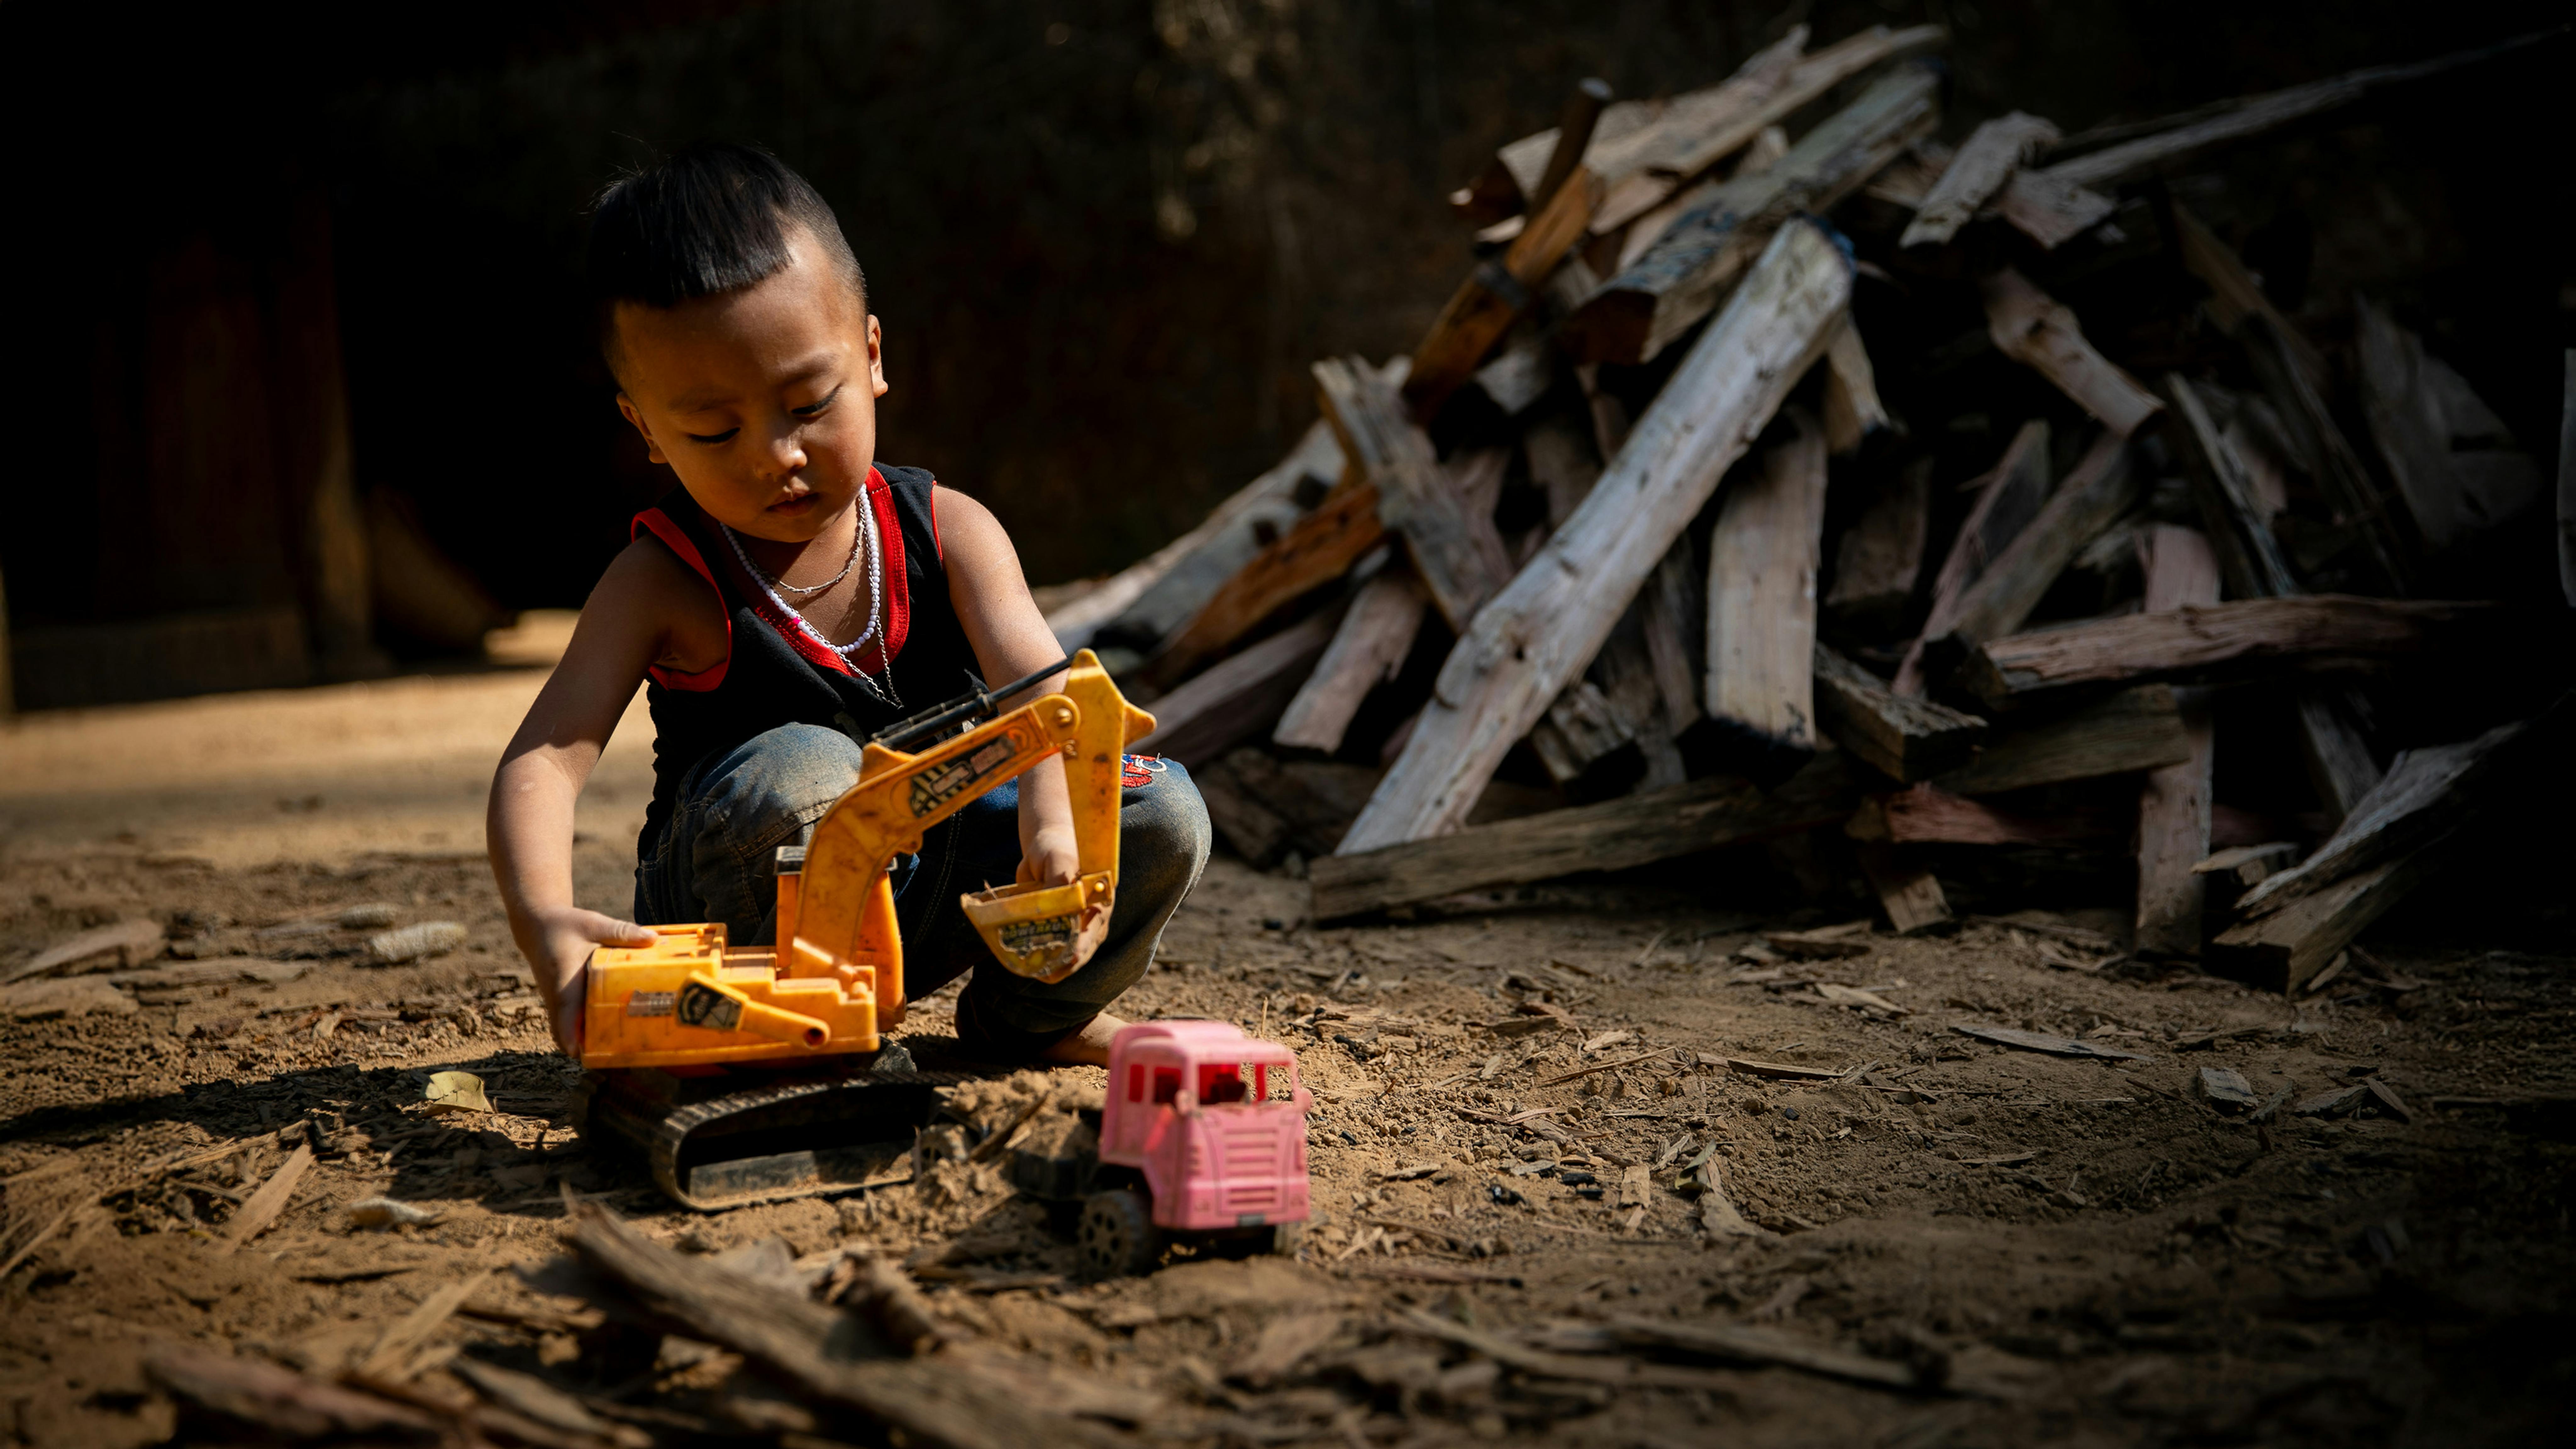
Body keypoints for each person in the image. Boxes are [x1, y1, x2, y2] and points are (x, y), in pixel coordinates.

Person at [486, 141, 1208, 1067]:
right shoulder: (661, 581)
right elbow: (542, 763)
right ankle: (800, 1039)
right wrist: (545, 922)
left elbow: (1047, 701)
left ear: (870, 357)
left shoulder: (951, 532)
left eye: (807, 403)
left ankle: (1031, 1018)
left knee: (1156, 810)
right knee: (809, 772)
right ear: (648, 432)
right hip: (743, 908)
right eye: (714, 429)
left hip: (918, 885)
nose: (774, 454)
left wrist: (1055, 819)